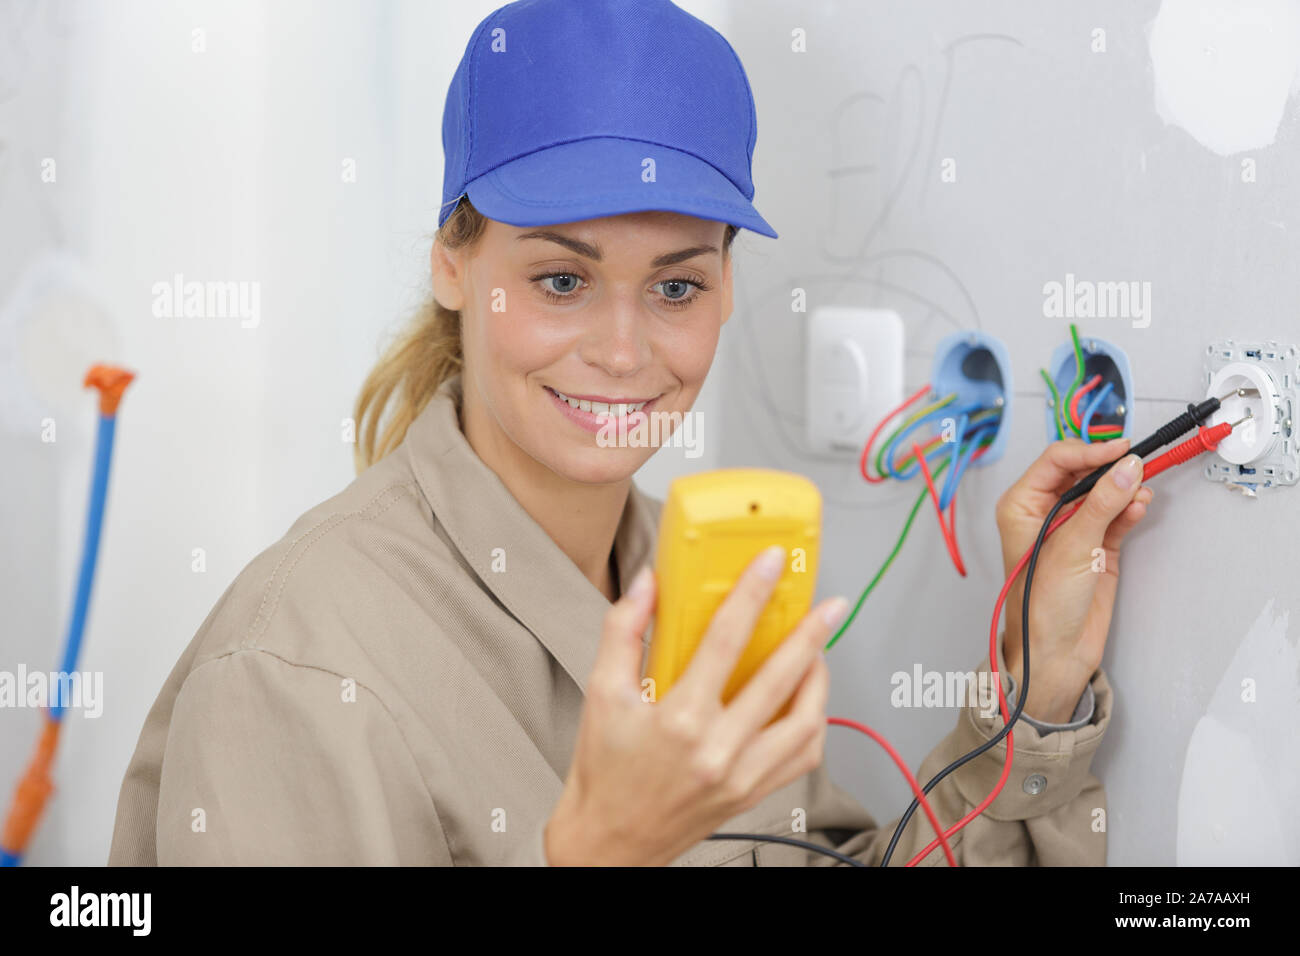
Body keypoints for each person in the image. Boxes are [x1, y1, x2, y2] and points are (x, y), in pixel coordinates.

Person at [108, 0, 1152, 866]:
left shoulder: (707, 592)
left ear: (730, 287)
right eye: (561, 280)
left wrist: (1035, 684)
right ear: (452, 263)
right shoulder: (296, 670)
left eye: (676, 285)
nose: (622, 349)